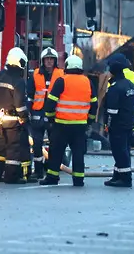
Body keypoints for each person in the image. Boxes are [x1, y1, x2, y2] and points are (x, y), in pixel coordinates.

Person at [39, 54, 98, 187]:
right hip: (80, 126)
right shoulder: (87, 82)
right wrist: (90, 120)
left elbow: (50, 102)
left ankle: (52, 178)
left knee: (56, 152)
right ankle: (78, 180)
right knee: (78, 153)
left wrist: (50, 118)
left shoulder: (61, 81)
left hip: (61, 124)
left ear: (67, 66)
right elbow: (94, 103)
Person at [0, 47, 33, 184]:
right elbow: (19, 104)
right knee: (13, 148)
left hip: (1, 118)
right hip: (13, 120)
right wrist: (24, 117)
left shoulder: (0, 75)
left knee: (0, 147)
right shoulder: (19, 81)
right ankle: (11, 177)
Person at [26, 47, 64, 179]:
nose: (49, 62)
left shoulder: (61, 74)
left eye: (51, 59)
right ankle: (38, 171)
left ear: (55, 61)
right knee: (37, 145)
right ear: (43, 61)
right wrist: (28, 111)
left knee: (54, 144)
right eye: (47, 59)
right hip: (38, 113)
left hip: (54, 113)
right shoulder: (35, 74)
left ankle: (52, 170)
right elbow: (30, 95)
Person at [103, 54, 134, 188]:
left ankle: (125, 178)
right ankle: (117, 176)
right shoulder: (129, 84)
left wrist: (108, 126)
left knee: (119, 151)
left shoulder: (115, 88)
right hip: (128, 124)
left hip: (118, 126)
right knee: (124, 150)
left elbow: (111, 111)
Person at [106, 56, 134, 131]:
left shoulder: (116, 78)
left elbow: (110, 96)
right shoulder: (133, 76)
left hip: (118, 123)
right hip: (131, 121)